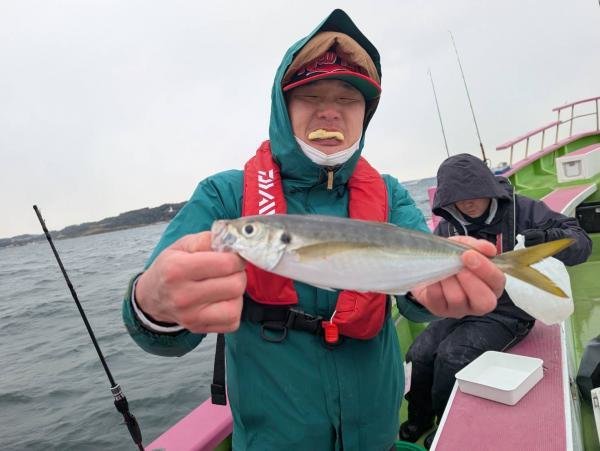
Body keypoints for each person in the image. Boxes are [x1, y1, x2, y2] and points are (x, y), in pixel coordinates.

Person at [122, 11, 507, 451]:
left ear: (365, 114)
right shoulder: (225, 196)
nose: (330, 111)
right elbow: (163, 335)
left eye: (348, 99)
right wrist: (153, 302)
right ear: (283, 107)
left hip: (375, 434)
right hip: (274, 439)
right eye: (310, 96)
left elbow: (415, 301)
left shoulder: (389, 194)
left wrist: (433, 295)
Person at [400, 153, 592, 449]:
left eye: (474, 193)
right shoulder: (448, 226)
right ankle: (420, 418)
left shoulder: (523, 210)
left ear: (488, 187)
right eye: (458, 198)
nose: (467, 203)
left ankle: (444, 426)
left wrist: (548, 237)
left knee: (452, 356)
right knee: (419, 352)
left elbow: (580, 241)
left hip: (508, 311)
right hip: (463, 308)